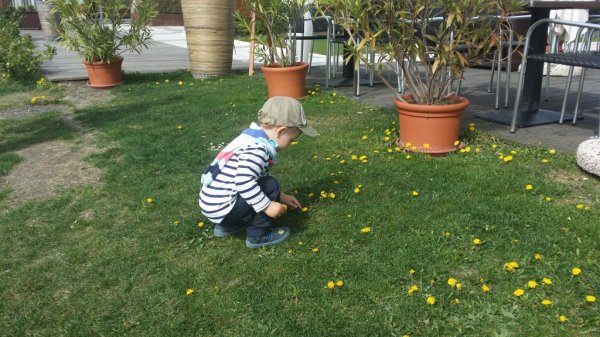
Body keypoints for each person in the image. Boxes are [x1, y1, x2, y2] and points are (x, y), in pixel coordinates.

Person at [199, 96, 318, 248]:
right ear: (281, 132)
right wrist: (267, 206)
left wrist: (281, 197)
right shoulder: (258, 150)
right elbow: (244, 182)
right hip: (223, 208)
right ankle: (258, 235)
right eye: (291, 139)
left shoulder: (249, 138)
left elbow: (250, 177)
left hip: (212, 206)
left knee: (266, 185)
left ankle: (227, 226)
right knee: (271, 185)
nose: (291, 143)